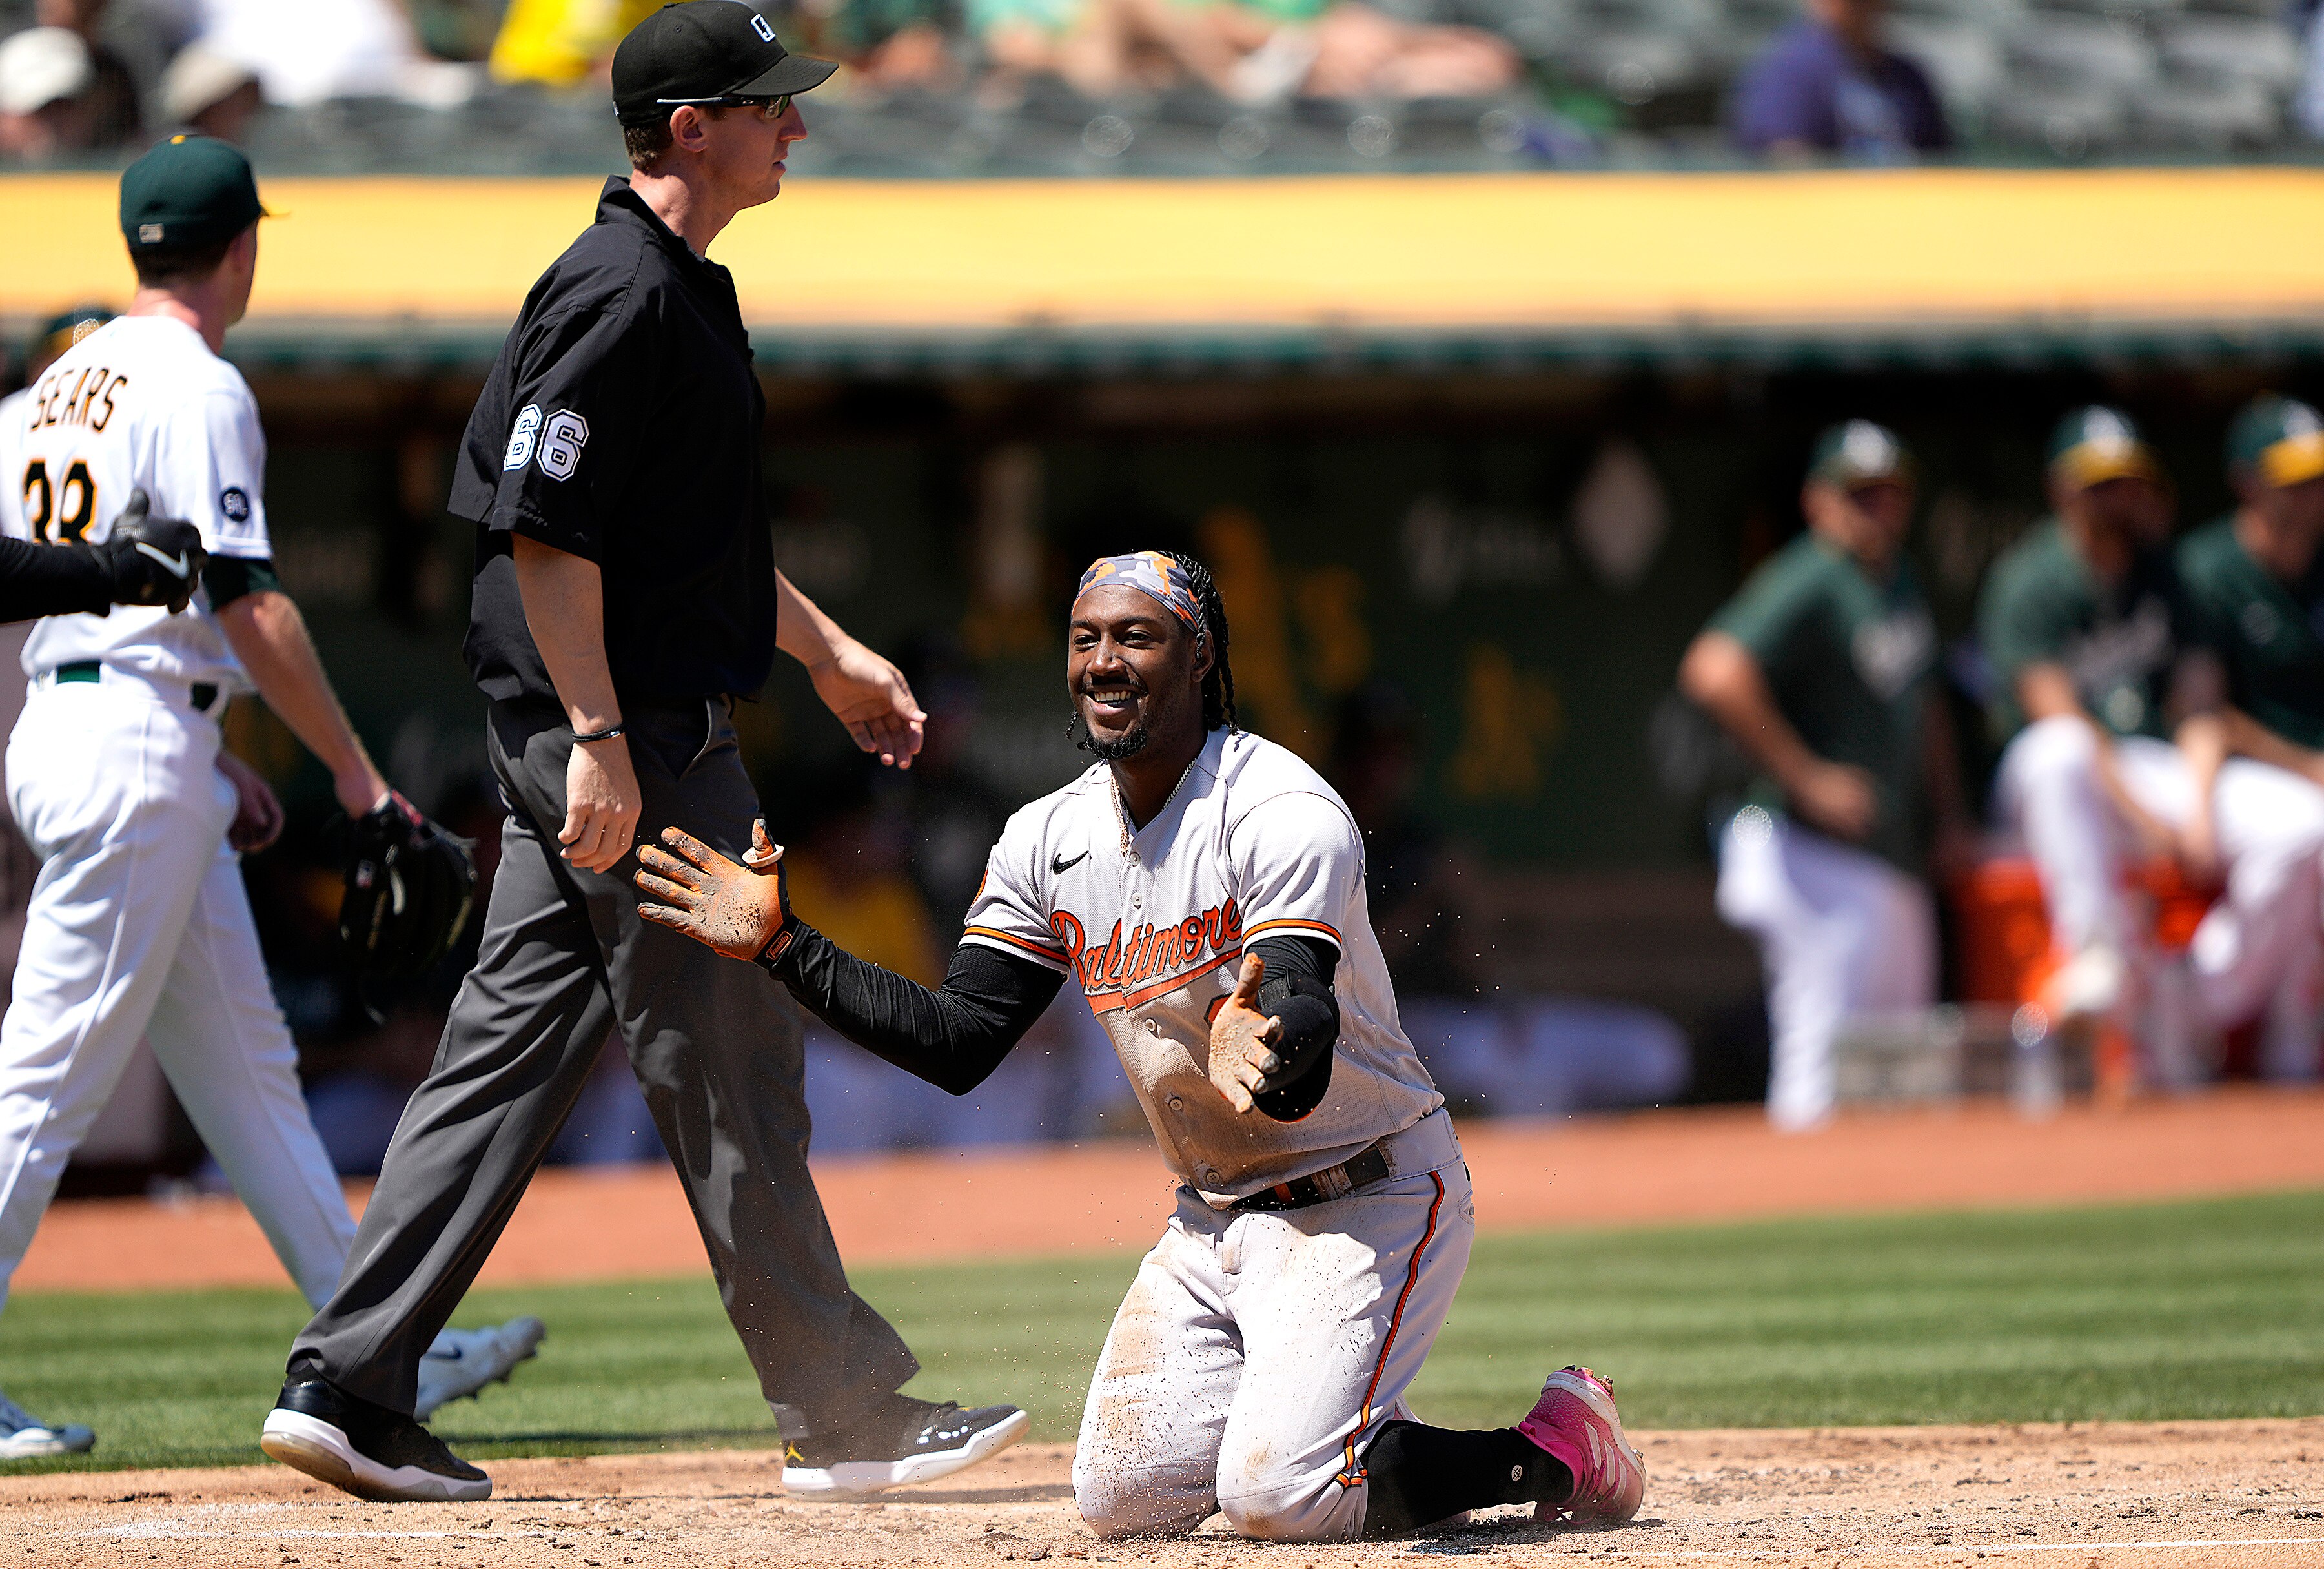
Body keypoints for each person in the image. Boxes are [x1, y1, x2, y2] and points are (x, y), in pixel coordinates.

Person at [263, 4, 1024, 1506]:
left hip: (621, 730)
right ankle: (844, 1411)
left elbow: (695, 550)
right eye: (768, 103)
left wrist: (832, 654)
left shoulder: (677, 287)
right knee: (733, 1054)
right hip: (628, 739)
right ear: (690, 126)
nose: (795, 123)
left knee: (504, 1064)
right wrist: (602, 739)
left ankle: (347, 1384)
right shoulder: (623, 291)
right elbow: (545, 535)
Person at [635, 549, 1649, 1543]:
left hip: (1368, 1197)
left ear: (1200, 658)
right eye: (1086, 639)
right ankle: (1325, 1429)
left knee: (1275, 1497)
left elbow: (1298, 999)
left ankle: (1554, 1447)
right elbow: (960, 1041)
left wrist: (1276, 1040)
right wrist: (781, 944)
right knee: (1122, 1498)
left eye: (1137, 636)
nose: (1105, 661)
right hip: (1211, 1224)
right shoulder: (1046, 838)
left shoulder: (1280, 807)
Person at [0, 135, 543, 1462]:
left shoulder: (52, 389)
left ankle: (380, 1340)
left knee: (248, 1073)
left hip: (94, 720)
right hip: (132, 743)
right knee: (43, 1082)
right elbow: (244, 598)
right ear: (240, 245)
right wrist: (357, 781)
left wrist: (213, 752)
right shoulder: (198, 381)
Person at [1979, 406, 2324, 1073]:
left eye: (2126, 480)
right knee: (2061, 753)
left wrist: (2196, 809)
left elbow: (2198, 706)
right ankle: (2093, 951)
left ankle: (2195, 994)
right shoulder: (2031, 580)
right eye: (2099, 483)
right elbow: (2059, 717)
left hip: (2149, 767)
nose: (2117, 497)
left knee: (2306, 828)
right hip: (2049, 791)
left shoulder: (2166, 573)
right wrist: (2146, 819)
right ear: (2062, 489)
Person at [1679, 421, 1970, 1129]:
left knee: (1900, 1071)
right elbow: (1713, 670)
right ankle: (1796, 1215)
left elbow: (1923, 705)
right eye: (1859, 492)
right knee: (1825, 1070)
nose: (1877, 507)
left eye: (1888, 491)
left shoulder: (1896, 579)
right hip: (1810, 852)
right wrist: (1805, 774)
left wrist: (1952, 814)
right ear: (1820, 500)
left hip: (1883, 855)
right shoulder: (1812, 574)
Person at [2164, 395, 2324, 1079]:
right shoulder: (2205, 570)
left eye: (2316, 475)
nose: (2311, 493)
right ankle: (2200, 994)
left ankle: (2297, 1045)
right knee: (2308, 834)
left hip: (2309, 774)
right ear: (2247, 484)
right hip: (2231, 770)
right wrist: (2306, 764)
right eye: (2292, 479)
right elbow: (2198, 710)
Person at [1731, 0, 1949, 160]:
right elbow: (1786, 160)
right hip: (1832, 212)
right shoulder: (1790, 69)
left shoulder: (1908, 76)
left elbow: (1943, 161)